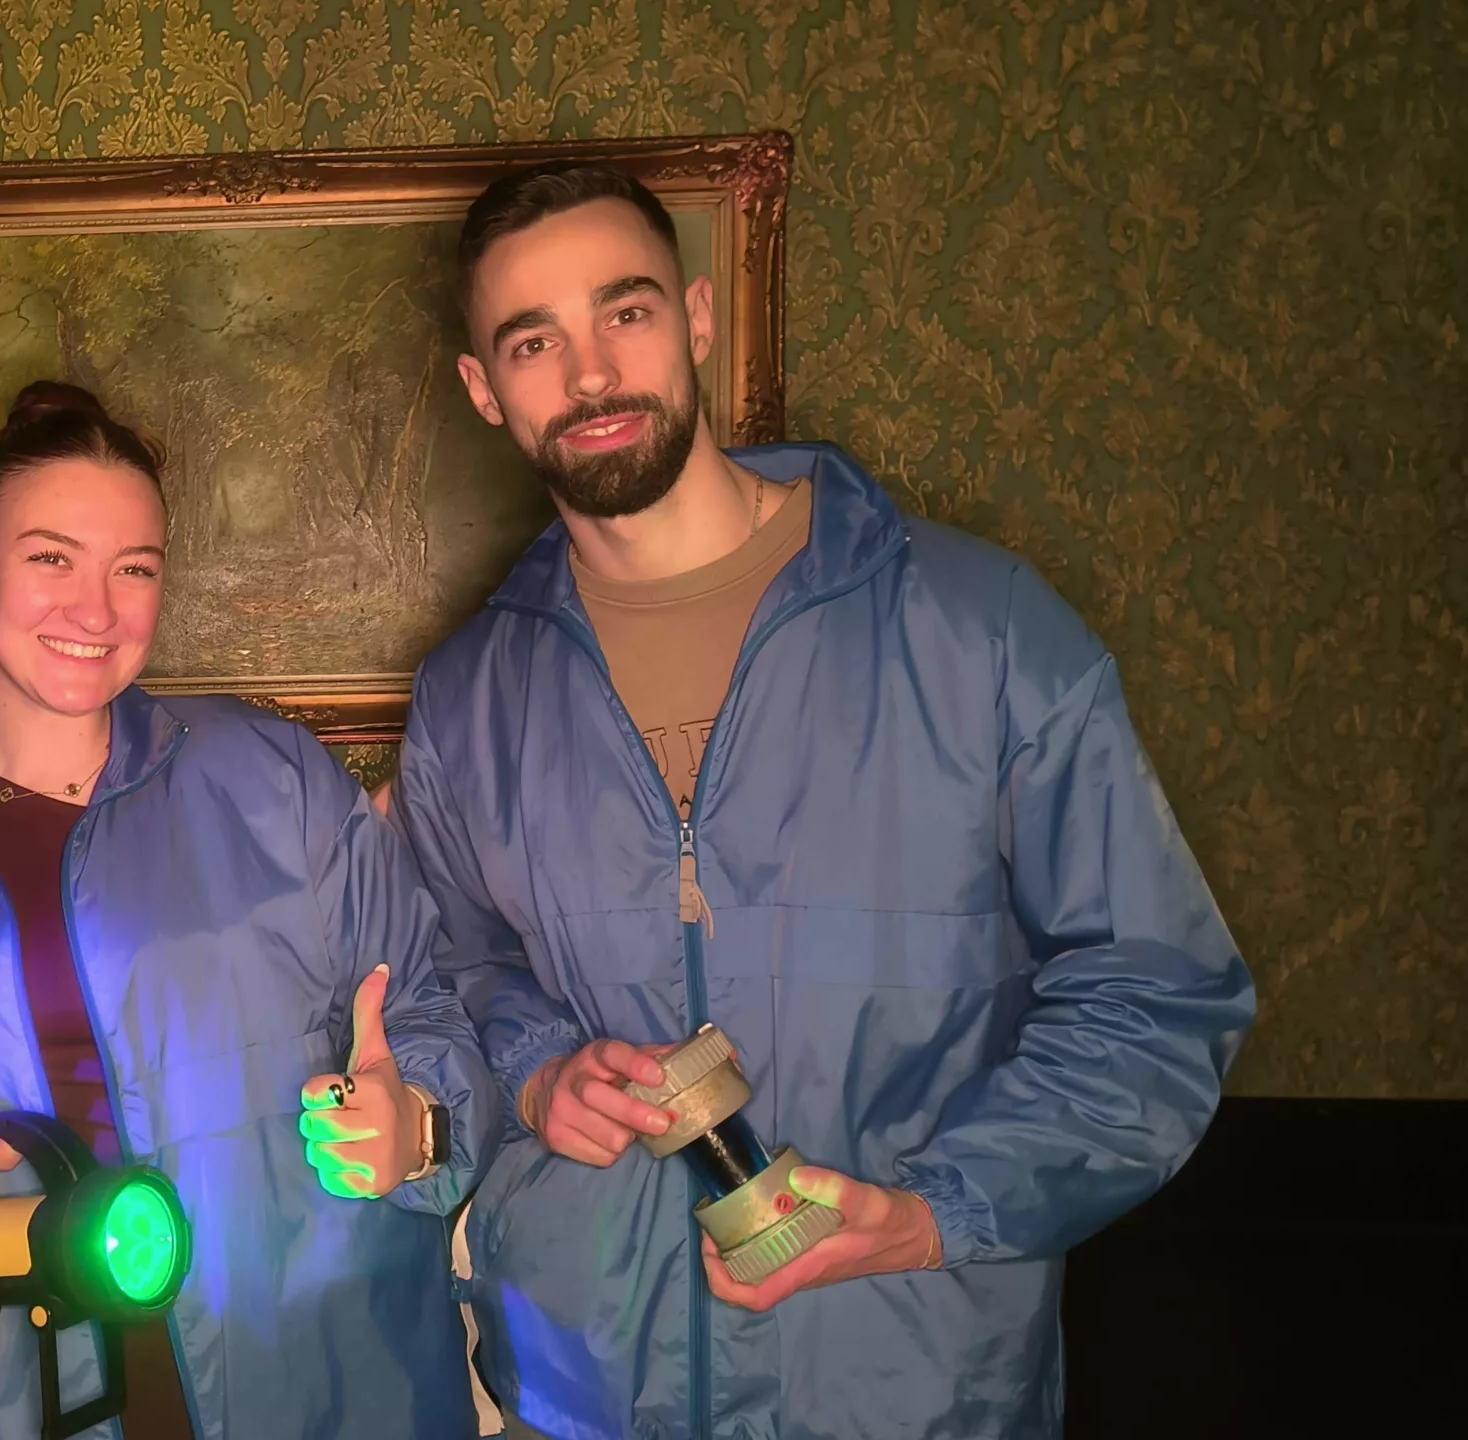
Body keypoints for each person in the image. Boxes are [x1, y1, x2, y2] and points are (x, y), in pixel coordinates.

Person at [393, 160, 1257, 1439]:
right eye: (534, 342)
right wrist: (536, 1075)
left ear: (695, 319)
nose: (590, 374)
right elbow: (461, 971)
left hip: (913, 1389)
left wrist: (931, 1215)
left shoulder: (983, 629)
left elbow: (1157, 996)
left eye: (624, 311)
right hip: (591, 1393)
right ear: (483, 388)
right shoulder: (467, 698)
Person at [0, 382, 500, 1439]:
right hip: (25, 1397)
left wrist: (415, 1123)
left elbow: (424, 1012)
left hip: (323, 1381)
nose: (95, 611)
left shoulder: (273, 779)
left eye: (133, 569)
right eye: (51, 557)